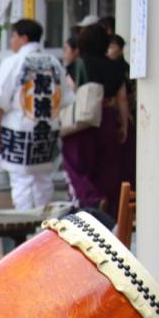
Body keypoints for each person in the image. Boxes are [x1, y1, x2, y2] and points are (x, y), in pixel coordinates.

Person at [0, 19, 70, 212]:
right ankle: (45, 228)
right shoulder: (54, 63)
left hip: (19, 130)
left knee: (21, 182)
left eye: (13, 36)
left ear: (23, 38)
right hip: (47, 130)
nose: (11, 41)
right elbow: (65, 98)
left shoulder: (14, 62)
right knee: (44, 180)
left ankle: (23, 228)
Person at [61, 23, 129, 216]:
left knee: (77, 166)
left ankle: (88, 204)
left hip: (82, 124)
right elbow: (122, 98)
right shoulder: (115, 68)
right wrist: (123, 124)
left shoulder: (77, 66)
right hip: (107, 120)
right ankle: (106, 214)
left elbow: (70, 94)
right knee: (106, 170)